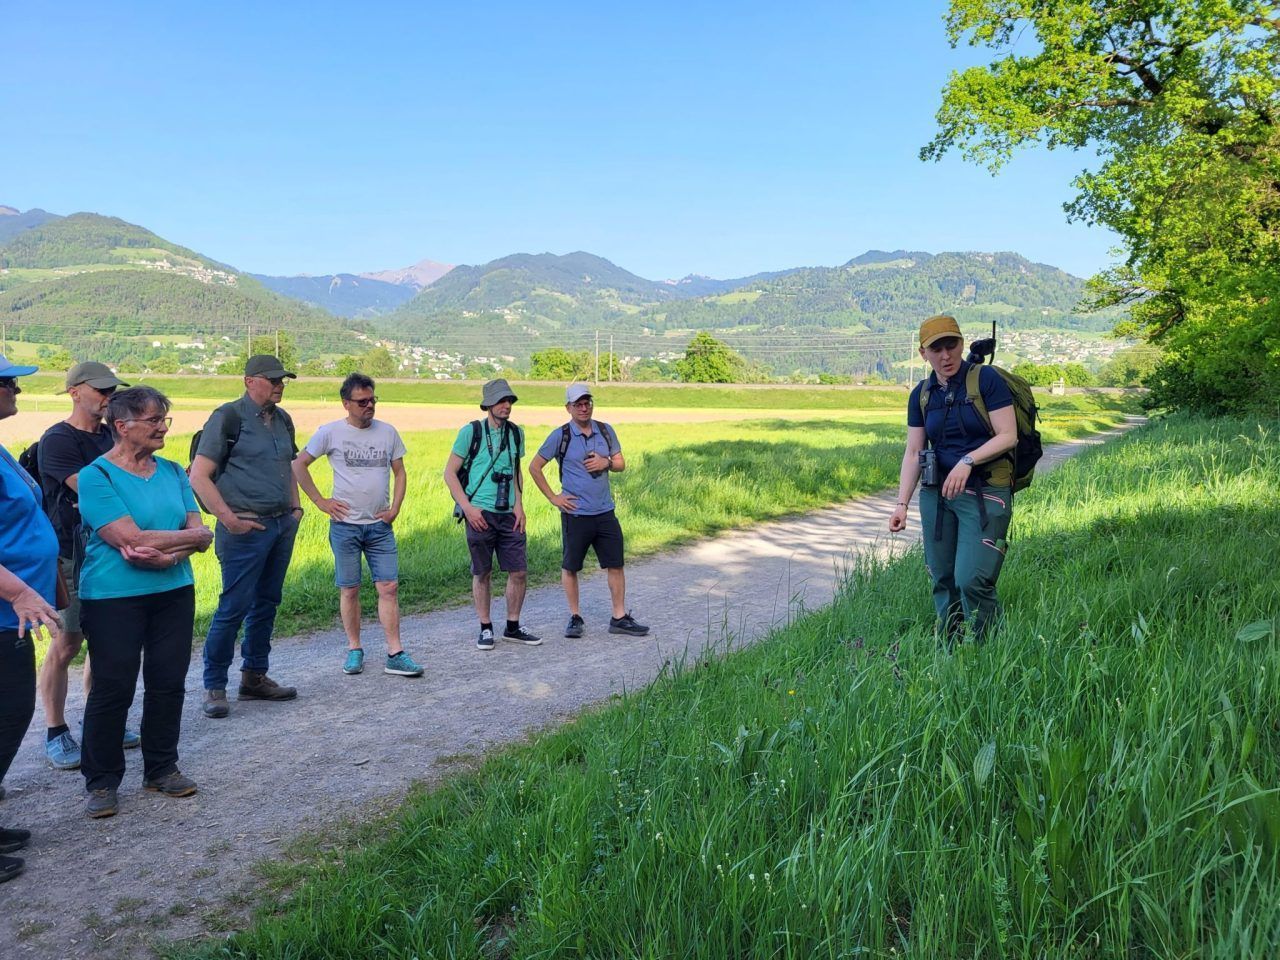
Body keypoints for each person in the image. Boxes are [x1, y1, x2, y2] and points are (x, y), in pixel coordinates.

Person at [77, 386, 213, 818]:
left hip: (173, 590)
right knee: (113, 686)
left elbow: (201, 531)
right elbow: (128, 537)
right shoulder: (97, 476)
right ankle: (101, 782)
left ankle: (161, 768)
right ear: (122, 426)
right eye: (154, 420)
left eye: (163, 420)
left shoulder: (173, 471)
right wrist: (189, 539)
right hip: (112, 597)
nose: (162, 428)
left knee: (168, 681)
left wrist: (170, 554)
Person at [36, 361, 139, 770]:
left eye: (111, 389)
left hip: (107, 551)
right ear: (74, 392)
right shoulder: (58, 441)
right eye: (100, 390)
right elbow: (99, 491)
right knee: (67, 642)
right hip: (70, 556)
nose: (107, 396)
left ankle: (103, 722)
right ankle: (56, 731)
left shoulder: (110, 436)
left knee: (106, 639)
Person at [888, 315, 1017, 644]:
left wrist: (967, 461)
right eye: (936, 348)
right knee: (942, 578)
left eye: (952, 345)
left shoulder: (985, 380)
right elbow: (914, 451)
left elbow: (1008, 435)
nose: (945, 355)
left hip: (985, 492)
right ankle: (951, 648)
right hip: (936, 495)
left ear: (961, 344)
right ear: (923, 353)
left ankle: (987, 649)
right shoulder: (921, 394)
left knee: (972, 579)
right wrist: (901, 504)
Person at [190, 355, 303, 718]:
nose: (279, 384)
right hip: (244, 529)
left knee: (267, 601)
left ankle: (254, 676)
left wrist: (295, 509)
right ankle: (214, 685)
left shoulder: (283, 420)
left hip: (280, 524)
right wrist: (230, 521)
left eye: (282, 379)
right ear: (249, 381)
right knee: (234, 606)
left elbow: (288, 466)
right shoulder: (228, 418)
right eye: (272, 379)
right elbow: (199, 476)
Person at [293, 373, 423, 678]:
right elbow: (298, 464)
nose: (369, 406)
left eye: (372, 399)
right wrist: (321, 502)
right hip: (345, 527)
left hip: (379, 527)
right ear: (346, 403)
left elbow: (400, 472)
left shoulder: (388, 433)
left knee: (388, 587)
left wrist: (395, 509)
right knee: (350, 590)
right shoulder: (330, 432)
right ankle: (354, 648)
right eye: (362, 401)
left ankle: (395, 652)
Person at [0, 355, 62, 881]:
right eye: (6, 382)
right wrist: (19, 592)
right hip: (3, 610)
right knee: (7, 712)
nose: (15, 387)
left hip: (12, 611)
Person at [529, 383, 649, 638]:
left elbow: (620, 464)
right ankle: (575, 617)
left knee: (615, 564)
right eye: (578, 404)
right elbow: (534, 467)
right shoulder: (560, 435)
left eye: (587, 403)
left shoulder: (605, 431)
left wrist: (606, 462)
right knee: (571, 566)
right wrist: (554, 497)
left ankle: (619, 617)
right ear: (568, 408)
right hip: (576, 513)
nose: (584, 408)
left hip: (605, 511)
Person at [443, 378, 541, 650]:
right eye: (500, 401)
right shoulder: (471, 432)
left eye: (509, 400)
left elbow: (517, 469)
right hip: (480, 513)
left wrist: (519, 504)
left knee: (519, 571)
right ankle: (485, 627)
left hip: (509, 514)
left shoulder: (516, 433)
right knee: (482, 573)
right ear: (488, 404)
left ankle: (513, 626)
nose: (506, 405)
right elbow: (449, 473)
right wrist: (468, 508)